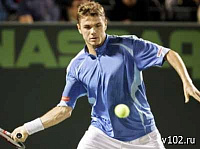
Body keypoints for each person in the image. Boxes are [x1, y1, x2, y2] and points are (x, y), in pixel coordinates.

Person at [11, 1, 200, 149]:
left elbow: (169, 53)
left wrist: (187, 82)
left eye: (97, 25)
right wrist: (28, 128)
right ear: (78, 28)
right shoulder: (77, 66)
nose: (93, 32)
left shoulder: (129, 46)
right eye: (87, 27)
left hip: (143, 136)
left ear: (105, 24)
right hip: (101, 135)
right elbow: (64, 109)